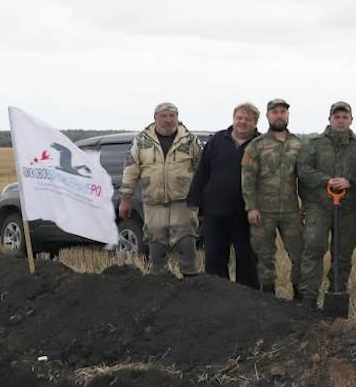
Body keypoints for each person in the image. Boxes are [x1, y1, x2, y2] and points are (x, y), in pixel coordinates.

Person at [120, 102, 203, 276]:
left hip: (183, 201)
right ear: (155, 118)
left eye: (172, 116)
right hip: (153, 201)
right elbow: (131, 169)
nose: (168, 120)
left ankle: (191, 278)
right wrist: (125, 197)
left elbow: (202, 168)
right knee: (156, 243)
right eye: (163, 116)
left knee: (186, 241)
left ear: (177, 118)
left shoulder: (190, 140)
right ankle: (159, 279)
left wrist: (200, 196)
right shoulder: (141, 140)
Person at [297, 101, 356, 307]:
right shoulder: (314, 144)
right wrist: (326, 180)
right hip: (319, 205)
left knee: (343, 252)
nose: (341, 121)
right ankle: (309, 296)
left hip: (348, 208)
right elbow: (303, 170)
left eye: (345, 117)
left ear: (351, 120)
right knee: (314, 248)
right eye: (337, 117)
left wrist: (350, 183)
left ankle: (337, 292)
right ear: (330, 119)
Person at [187, 102, 260, 288]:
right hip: (215, 211)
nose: (242, 122)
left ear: (255, 123)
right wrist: (194, 199)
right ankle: (217, 294)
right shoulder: (217, 140)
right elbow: (202, 171)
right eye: (239, 118)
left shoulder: (261, 144)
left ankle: (247, 297)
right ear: (233, 119)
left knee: (247, 259)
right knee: (214, 257)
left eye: (248, 119)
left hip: (246, 213)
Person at [241, 98, 305, 298]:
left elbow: (305, 178)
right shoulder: (256, 145)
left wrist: (306, 206)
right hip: (263, 212)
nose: (279, 115)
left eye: (282, 112)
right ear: (268, 116)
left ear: (288, 115)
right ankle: (268, 299)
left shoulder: (298, 144)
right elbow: (248, 179)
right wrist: (251, 207)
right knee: (265, 257)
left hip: (291, 211)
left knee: (299, 254)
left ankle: (300, 297)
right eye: (275, 112)